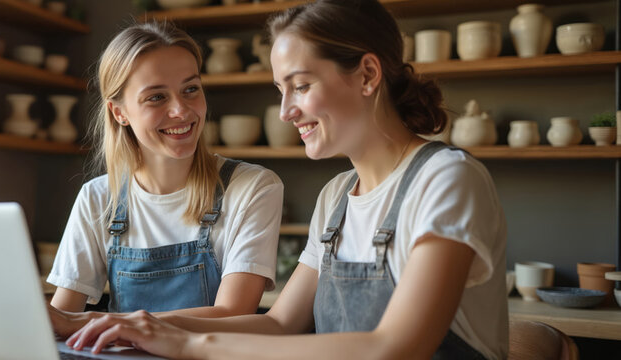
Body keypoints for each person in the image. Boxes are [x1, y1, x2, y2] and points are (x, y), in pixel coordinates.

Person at [62, 1, 509, 359]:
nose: (285, 111)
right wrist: (141, 325)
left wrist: (185, 342)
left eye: (300, 86)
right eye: (281, 90)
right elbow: (279, 323)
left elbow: (396, 348)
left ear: (368, 75)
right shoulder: (337, 196)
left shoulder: (446, 179)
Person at [46, 22, 285, 338]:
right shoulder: (99, 198)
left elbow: (232, 314)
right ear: (120, 113)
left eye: (191, 89)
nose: (181, 110)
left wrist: (103, 323)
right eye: (156, 97)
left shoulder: (253, 187)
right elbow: (63, 317)